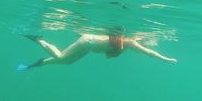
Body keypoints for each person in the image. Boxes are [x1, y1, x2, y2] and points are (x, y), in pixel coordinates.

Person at [16, 32, 177, 71]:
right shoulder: (131, 42)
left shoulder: (127, 41)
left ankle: (38, 63)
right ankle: (37, 39)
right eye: (147, 43)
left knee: (67, 61)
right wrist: (165, 59)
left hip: (89, 43)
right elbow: (148, 53)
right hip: (88, 42)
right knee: (61, 57)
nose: (147, 46)